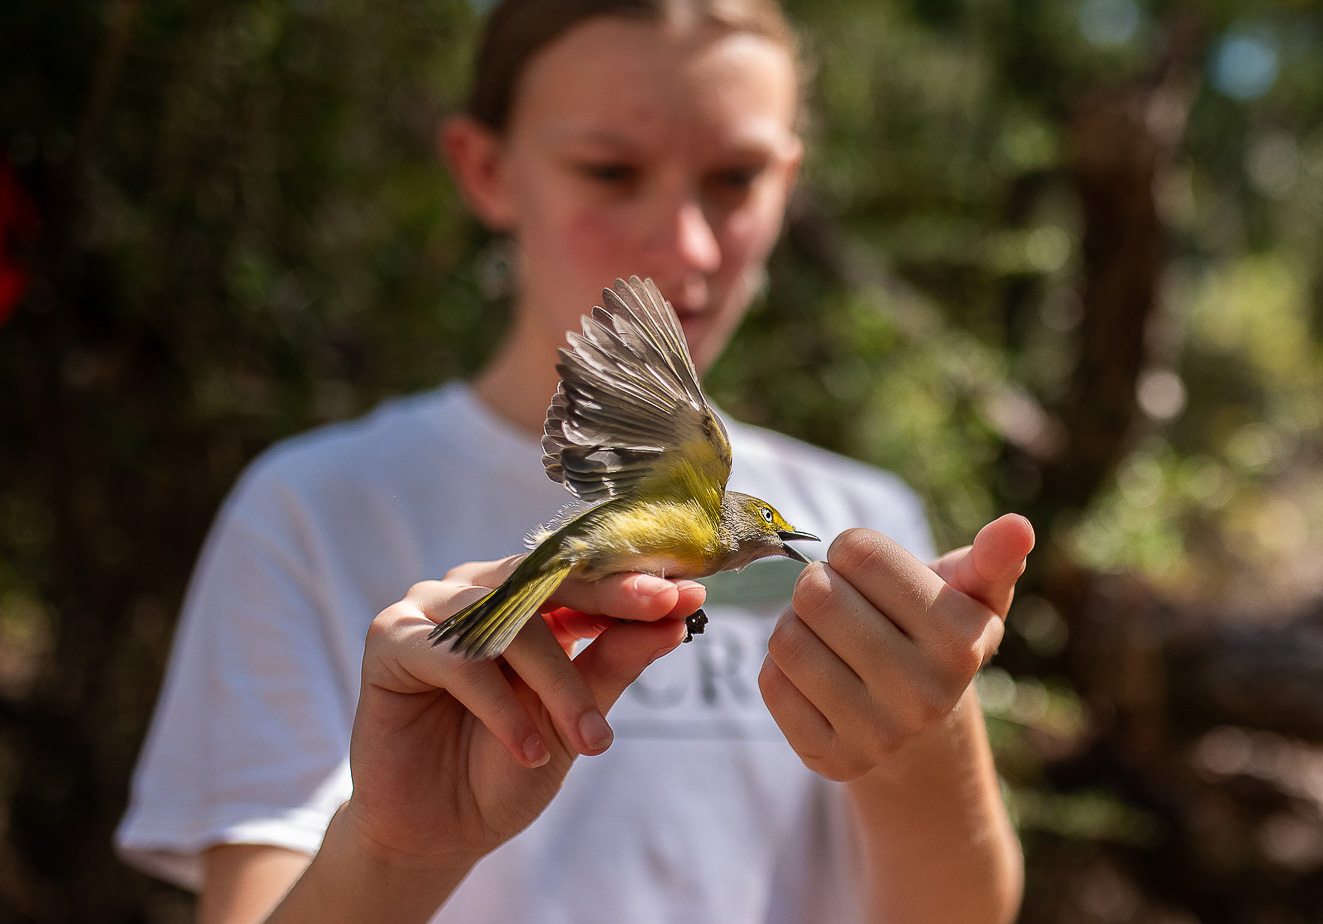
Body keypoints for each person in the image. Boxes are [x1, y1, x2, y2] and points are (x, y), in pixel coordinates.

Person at [113, 1, 1033, 921]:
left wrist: (926, 738)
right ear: (485, 168)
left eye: (735, 177)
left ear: (789, 181)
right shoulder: (311, 515)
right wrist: (392, 855)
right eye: (610, 170)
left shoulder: (865, 517)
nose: (687, 244)